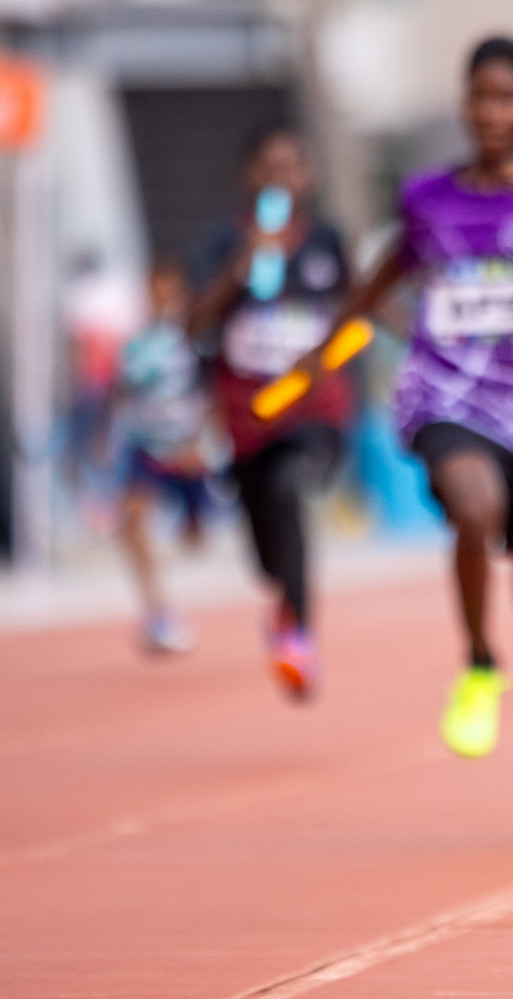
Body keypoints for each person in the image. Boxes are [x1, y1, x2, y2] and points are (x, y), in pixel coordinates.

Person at [295, 37, 513, 843]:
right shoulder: (427, 201)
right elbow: (375, 290)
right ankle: (479, 663)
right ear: (464, 103)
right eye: (480, 96)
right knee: (471, 507)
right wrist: (320, 358)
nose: (492, 112)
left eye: (509, 97)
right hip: (448, 397)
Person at [188, 126, 353, 700]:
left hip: (313, 409)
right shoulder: (222, 242)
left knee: (289, 488)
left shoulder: (327, 241)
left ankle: (298, 636)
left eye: (292, 166)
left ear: (308, 177)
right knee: (265, 550)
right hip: (246, 417)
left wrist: (326, 359)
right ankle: (283, 600)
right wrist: (243, 265)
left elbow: (358, 320)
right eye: (269, 167)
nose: (281, 177)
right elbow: (194, 323)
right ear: (249, 177)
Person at [97, 258, 223, 654]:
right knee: (131, 521)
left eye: (169, 292)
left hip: (189, 450)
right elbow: (120, 392)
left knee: (197, 538)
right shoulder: (135, 347)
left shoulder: (196, 341)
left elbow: (214, 394)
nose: (161, 300)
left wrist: (206, 442)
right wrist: (103, 437)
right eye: (154, 292)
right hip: (147, 446)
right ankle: (157, 610)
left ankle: (189, 591)